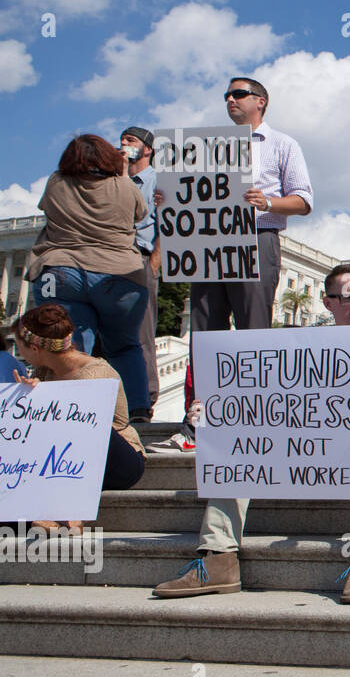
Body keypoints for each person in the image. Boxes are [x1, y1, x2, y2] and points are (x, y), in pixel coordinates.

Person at [153, 263, 350, 603]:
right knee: (237, 432)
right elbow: (254, 404)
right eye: (348, 299)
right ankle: (219, 557)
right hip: (301, 449)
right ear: (328, 302)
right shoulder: (296, 345)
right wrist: (210, 413)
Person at [161, 77, 314, 333]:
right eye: (227, 96)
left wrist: (267, 202)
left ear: (261, 102)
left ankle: (254, 373)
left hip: (256, 236)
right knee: (203, 323)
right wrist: (167, 198)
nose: (230, 100)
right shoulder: (207, 147)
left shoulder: (282, 144)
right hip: (209, 241)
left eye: (239, 94)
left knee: (252, 321)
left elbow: (303, 201)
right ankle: (205, 373)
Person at [25, 134, 151, 417]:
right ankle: (137, 410)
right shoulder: (124, 186)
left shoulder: (56, 182)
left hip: (62, 268)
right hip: (120, 274)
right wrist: (120, 172)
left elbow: (46, 208)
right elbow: (140, 214)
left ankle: (71, 410)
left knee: (70, 348)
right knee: (125, 346)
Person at [10, 304, 148, 531]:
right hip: (62, 460)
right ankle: (38, 519)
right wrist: (29, 397)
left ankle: (72, 513)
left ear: (34, 347)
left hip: (116, 460)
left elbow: (80, 434)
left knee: (84, 422)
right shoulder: (44, 372)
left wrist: (44, 402)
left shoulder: (95, 373)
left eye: (18, 346)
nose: (18, 353)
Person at [120, 126, 159, 421]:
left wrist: (155, 262)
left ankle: (144, 399)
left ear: (147, 149)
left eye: (130, 140)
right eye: (121, 139)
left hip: (140, 257)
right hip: (109, 260)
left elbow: (170, 223)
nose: (123, 143)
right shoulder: (113, 179)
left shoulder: (158, 180)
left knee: (142, 331)